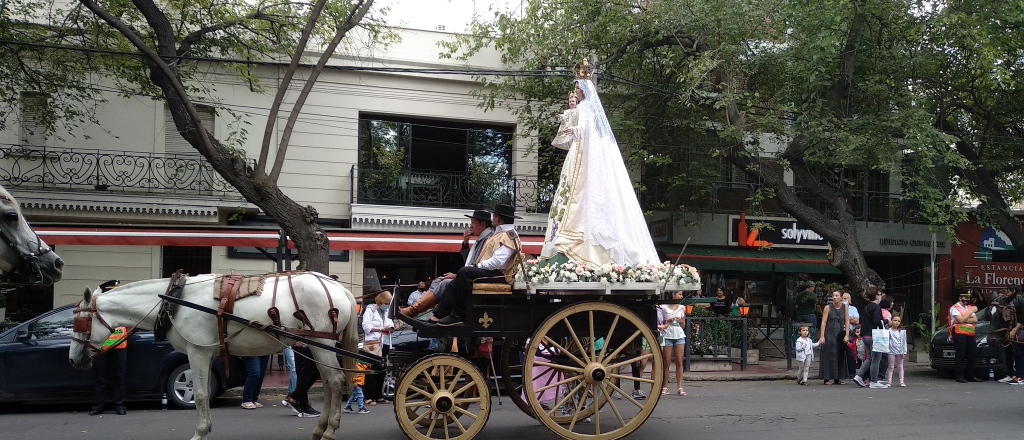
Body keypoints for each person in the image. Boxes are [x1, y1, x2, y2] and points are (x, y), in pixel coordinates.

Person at [538, 66, 660, 267]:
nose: (575, 92)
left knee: (583, 195)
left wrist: (574, 130)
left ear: (584, 89)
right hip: (579, 154)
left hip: (583, 155)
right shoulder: (582, 107)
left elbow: (586, 129)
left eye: (577, 88)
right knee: (573, 193)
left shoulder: (586, 107)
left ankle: (583, 241)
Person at [434, 204, 524, 326]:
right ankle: (438, 315)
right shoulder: (502, 233)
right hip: (494, 273)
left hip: (499, 275)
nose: (491, 219)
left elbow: (498, 262)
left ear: (498, 218)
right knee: (456, 279)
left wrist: (476, 267)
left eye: (493, 216)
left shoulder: (508, 235)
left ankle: (458, 314)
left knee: (464, 272)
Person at [400, 209, 495, 317]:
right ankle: (416, 309)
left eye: (473, 222)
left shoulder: (488, 240)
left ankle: (416, 310)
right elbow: (470, 262)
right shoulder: (481, 240)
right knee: (438, 280)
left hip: (472, 279)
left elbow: (477, 267)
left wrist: (456, 276)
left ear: (483, 224)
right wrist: (465, 243)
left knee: (445, 282)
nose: (470, 226)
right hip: (468, 276)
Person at [90, 279, 128, 416]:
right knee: (101, 378)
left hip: (120, 346)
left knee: (120, 377)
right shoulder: (100, 307)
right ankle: (98, 407)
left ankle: (119, 405)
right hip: (102, 347)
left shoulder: (122, 307)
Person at [363, 291, 394, 404]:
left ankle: (378, 395)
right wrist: (381, 329)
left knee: (382, 369)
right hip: (373, 343)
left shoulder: (385, 312)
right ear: (380, 301)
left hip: (384, 342)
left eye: (389, 303)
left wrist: (391, 328)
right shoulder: (370, 310)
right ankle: (368, 397)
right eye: (386, 303)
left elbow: (390, 323)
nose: (387, 305)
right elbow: (366, 326)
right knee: (372, 370)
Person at [853, 287, 889, 388]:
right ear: (877, 296)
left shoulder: (866, 307)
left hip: (866, 336)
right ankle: (874, 381)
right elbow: (877, 320)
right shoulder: (876, 307)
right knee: (876, 359)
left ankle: (859, 376)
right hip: (875, 336)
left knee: (869, 358)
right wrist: (886, 322)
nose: (881, 296)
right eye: (880, 294)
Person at [817, 291, 850, 385]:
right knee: (828, 354)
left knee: (839, 354)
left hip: (839, 333)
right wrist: (822, 336)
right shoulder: (828, 307)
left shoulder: (845, 307)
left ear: (841, 298)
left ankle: (837, 377)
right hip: (829, 333)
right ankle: (826, 378)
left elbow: (847, 321)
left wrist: (847, 334)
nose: (834, 298)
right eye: (833, 296)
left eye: (837, 296)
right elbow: (823, 322)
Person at [658, 290, 687, 396]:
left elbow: (683, 326)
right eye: (679, 294)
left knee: (679, 361)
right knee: (667, 362)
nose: (681, 296)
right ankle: (665, 386)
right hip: (667, 334)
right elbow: (660, 321)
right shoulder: (663, 307)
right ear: (673, 295)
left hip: (679, 334)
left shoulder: (682, 307)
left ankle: (680, 387)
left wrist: (681, 322)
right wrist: (668, 320)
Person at [949, 290, 982, 383]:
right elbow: (959, 320)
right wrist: (971, 312)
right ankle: (960, 376)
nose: (967, 299)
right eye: (965, 297)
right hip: (959, 333)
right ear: (960, 298)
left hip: (970, 334)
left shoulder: (969, 307)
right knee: (961, 355)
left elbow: (975, 319)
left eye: (968, 297)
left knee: (971, 355)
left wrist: (964, 319)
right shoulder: (955, 308)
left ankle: (971, 376)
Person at [282, 342, 321, 417]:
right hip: (301, 344)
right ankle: (304, 407)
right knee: (304, 375)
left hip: (310, 343)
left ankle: (294, 397)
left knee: (314, 371)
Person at [842, 292, 860, 378]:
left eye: (846, 298)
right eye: (843, 298)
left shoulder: (853, 309)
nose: (844, 300)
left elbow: (856, 321)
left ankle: (851, 373)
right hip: (841, 331)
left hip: (851, 332)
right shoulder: (839, 308)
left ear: (850, 300)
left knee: (851, 353)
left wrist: (846, 320)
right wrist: (850, 319)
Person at [886, 316, 908, 388]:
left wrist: (904, 352)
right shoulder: (888, 331)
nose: (896, 322)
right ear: (891, 321)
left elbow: (904, 342)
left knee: (900, 366)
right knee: (891, 366)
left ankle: (901, 381)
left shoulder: (902, 332)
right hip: (891, 351)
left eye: (898, 321)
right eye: (895, 320)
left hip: (900, 351)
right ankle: (889, 382)